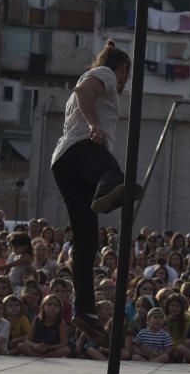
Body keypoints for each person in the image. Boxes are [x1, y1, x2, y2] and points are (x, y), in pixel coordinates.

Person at [50, 41, 139, 347]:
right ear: (123, 68)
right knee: (115, 175)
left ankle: (85, 310)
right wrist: (94, 126)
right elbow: (84, 90)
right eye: (127, 75)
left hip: (63, 163)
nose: (125, 83)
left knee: (86, 242)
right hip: (82, 149)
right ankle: (107, 191)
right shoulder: (106, 73)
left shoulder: (105, 76)